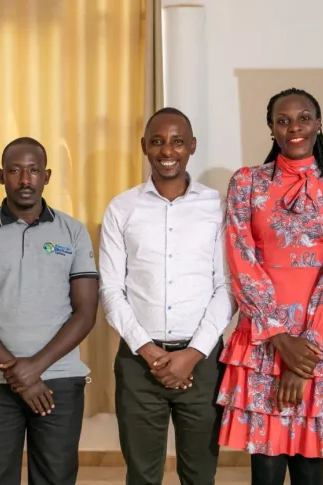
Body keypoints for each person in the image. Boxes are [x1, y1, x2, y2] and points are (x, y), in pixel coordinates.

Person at [217, 88, 323, 485]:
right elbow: (240, 258)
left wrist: (305, 354)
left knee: (309, 470)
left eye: (303, 118)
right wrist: (280, 339)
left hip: (318, 342)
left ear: (318, 124)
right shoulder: (246, 182)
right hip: (263, 342)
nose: (294, 127)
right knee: (265, 470)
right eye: (283, 120)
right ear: (271, 128)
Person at [0, 137, 99, 485]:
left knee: (55, 478)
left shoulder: (73, 232)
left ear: (46, 176)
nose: (25, 179)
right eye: (15, 171)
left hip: (59, 379)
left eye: (33, 170)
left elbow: (85, 313)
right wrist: (17, 372)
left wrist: (34, 368)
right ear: (0, 176)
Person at [99, 107, 232, 485]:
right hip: (138, 363)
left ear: (192, 146)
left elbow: (227, 287)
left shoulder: (218, 207)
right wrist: (148, 351)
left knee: (200, 474)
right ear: (144, 146)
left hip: (203, 363)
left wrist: (193, 354)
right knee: (142, 475)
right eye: (157, 142)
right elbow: (111, 288)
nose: (167, 151)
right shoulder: (121, 208)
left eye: (177, 142)